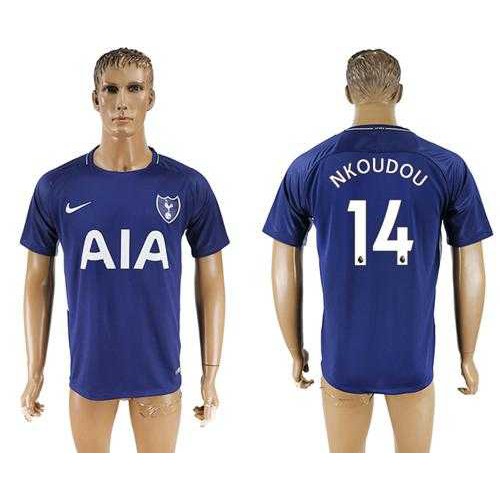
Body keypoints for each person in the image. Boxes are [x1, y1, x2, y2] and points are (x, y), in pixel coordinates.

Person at [263, 49, 492, 452]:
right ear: (399, 93)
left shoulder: (310, 166)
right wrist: (467, 353)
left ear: (347, 93)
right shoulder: (445, 166)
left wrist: (294, 349)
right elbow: (470, 264)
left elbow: (284, 263)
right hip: (411, 354)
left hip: (344, 354)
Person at [20, 47, 229, 452]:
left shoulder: (186, 185)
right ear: (94, 98)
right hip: (90, 370)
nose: (121, 102)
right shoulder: (57, 187)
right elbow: (36, 282)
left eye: (134, 88)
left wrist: (211, 372)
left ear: (151, 97)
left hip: (158, 371)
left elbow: (213, 282)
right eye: (110, 89)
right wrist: (34, 371)